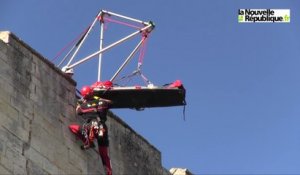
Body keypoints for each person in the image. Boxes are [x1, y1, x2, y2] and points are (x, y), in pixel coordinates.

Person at [69, 85, 112, 175]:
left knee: (73, 127)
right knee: (104, 154)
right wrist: (98, 98)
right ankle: (109, 173)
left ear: (85, 96)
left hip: (91, 127)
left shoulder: (84, 106)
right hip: (102, 129)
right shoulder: (101, 102)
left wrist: (80, 103)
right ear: (92, 93)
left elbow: (78, 111)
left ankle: (88, 142)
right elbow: (110, 102)